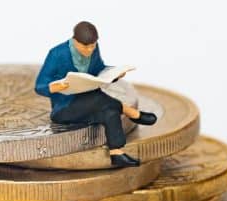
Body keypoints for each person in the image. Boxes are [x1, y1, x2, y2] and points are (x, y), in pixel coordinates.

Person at [34, 21, 157, 168]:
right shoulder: (57, 54)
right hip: (65, 109)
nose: (90, 50)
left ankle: (116, 153)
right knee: (97, 98)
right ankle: (132, 113)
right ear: (75, 41)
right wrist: (55, 87)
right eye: (86, 46)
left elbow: (99, 69)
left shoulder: (94, 49)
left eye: (93, 45)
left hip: (91, 104)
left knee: (110, 112)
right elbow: (40, 85)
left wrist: (114, 75)